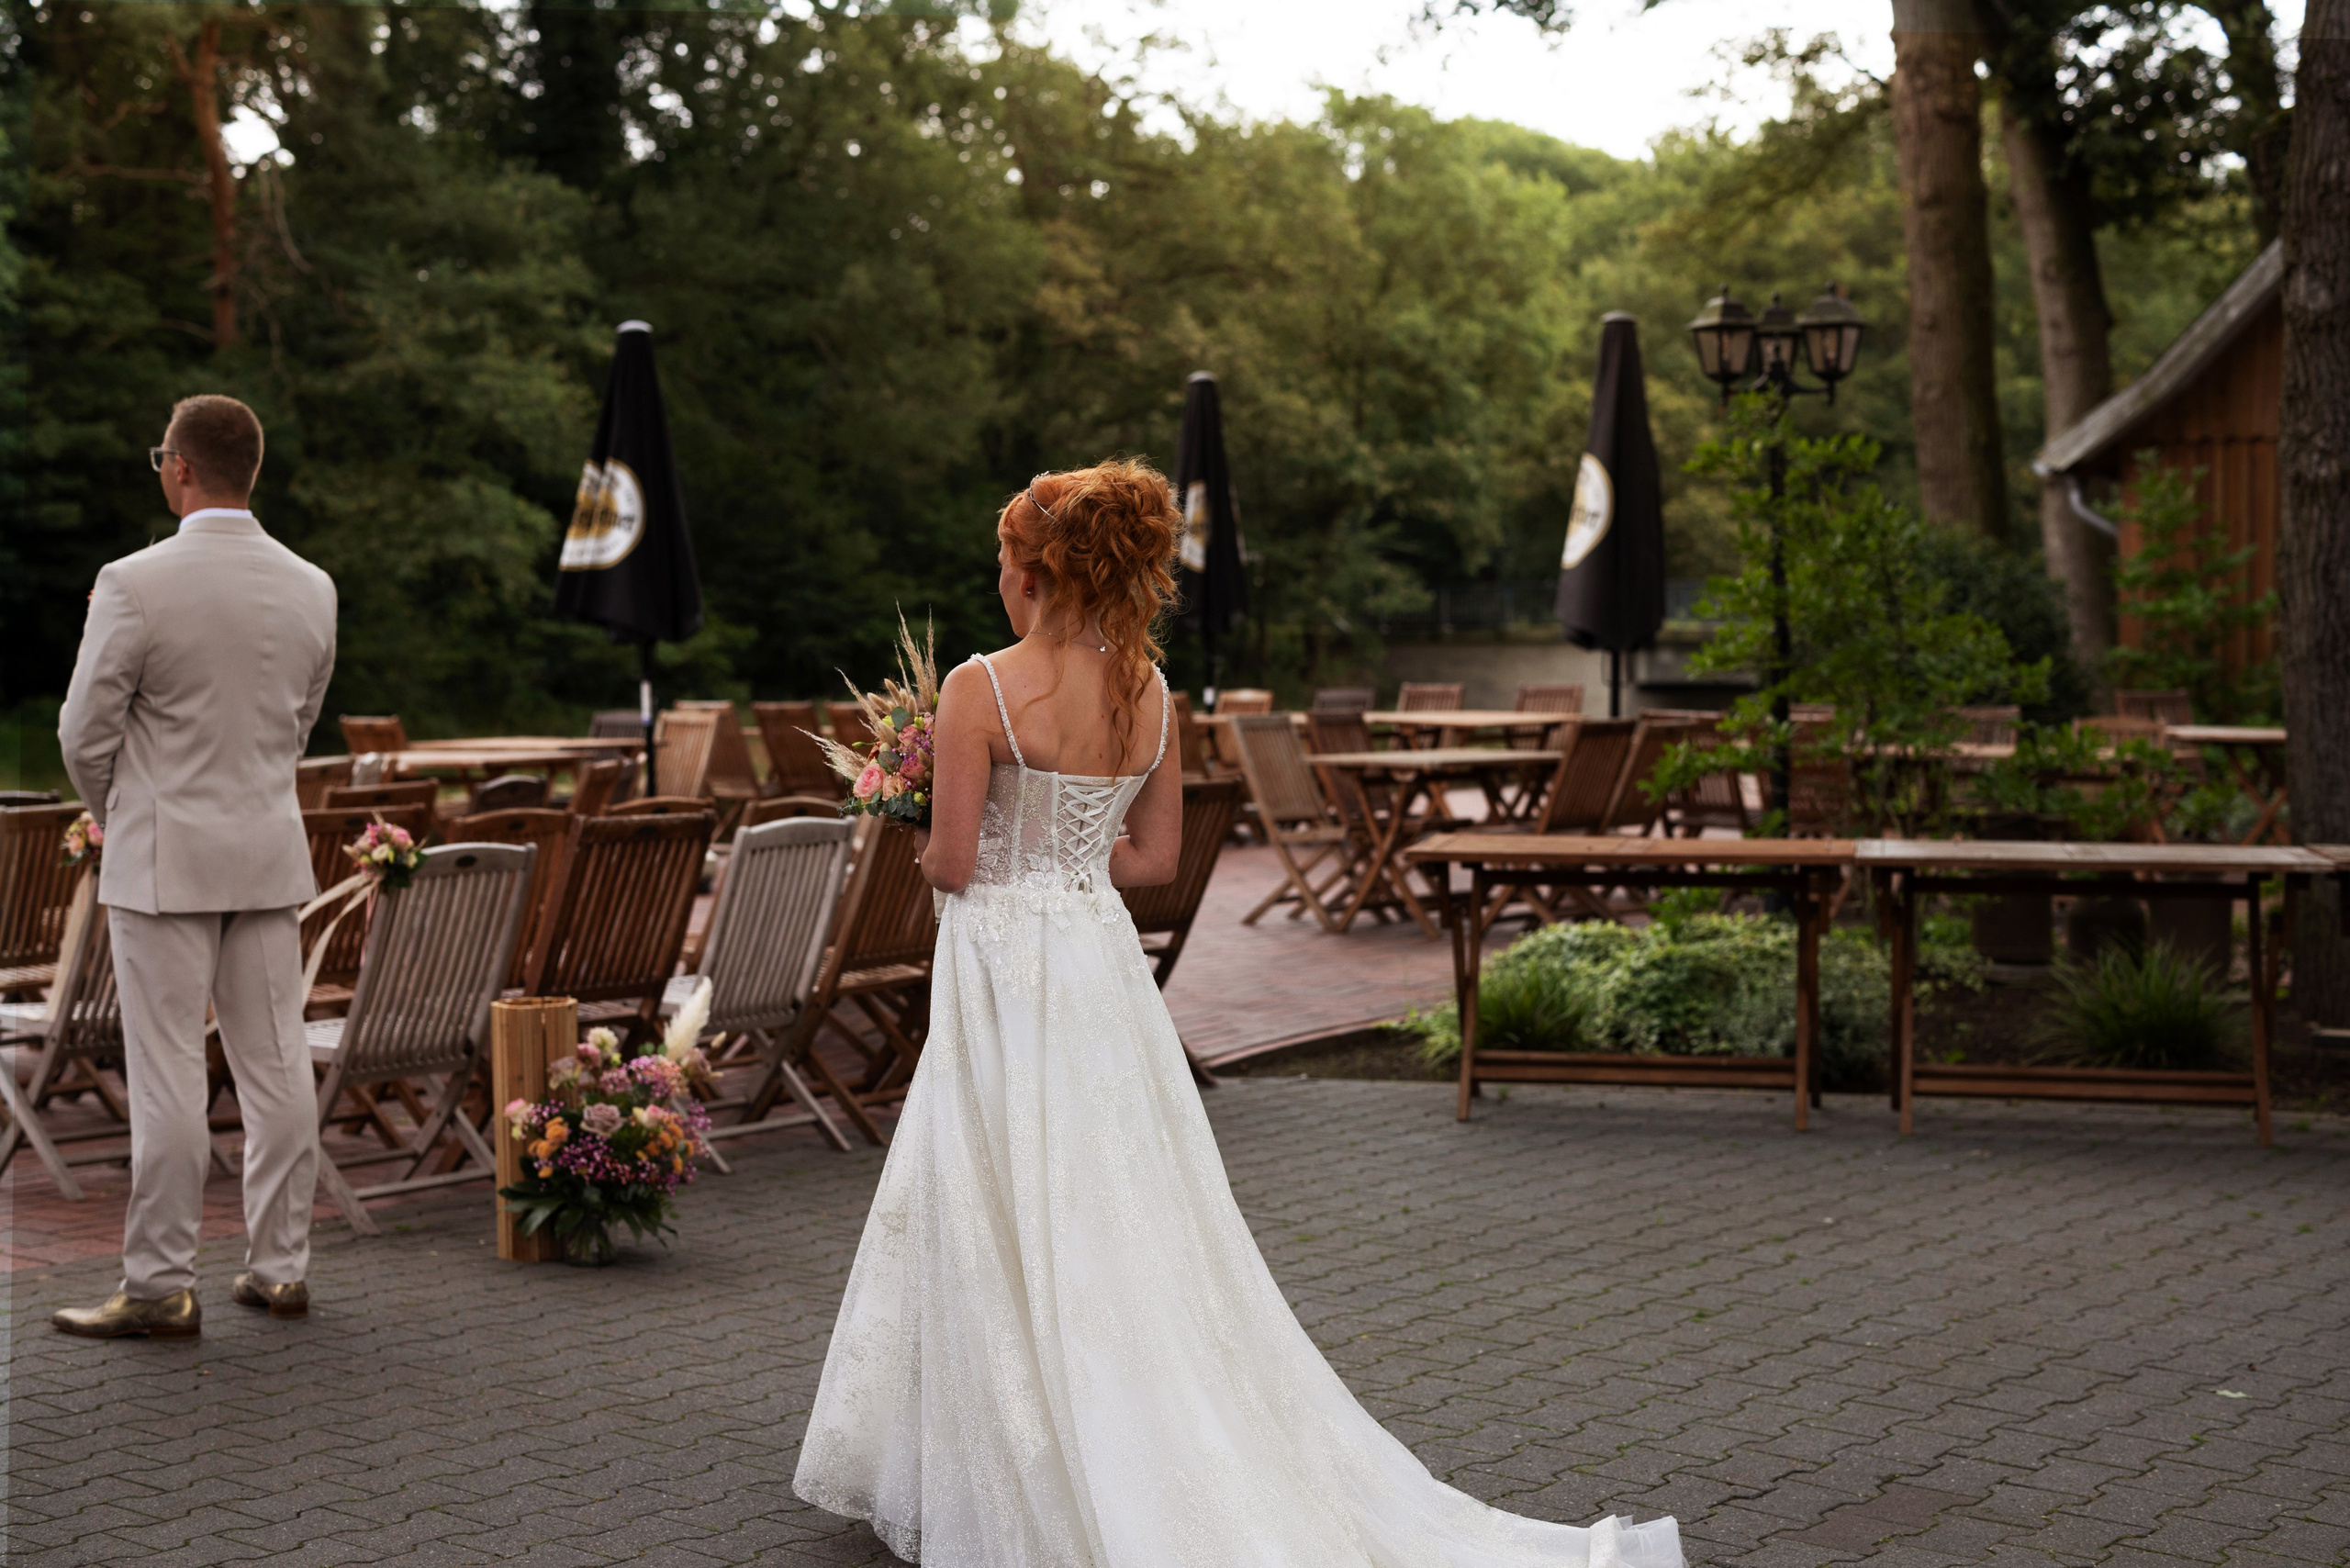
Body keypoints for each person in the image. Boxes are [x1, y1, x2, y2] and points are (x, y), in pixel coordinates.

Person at [792, 459, 1683, 1567]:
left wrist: (922, 821)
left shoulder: (978, 686)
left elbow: (955, 864)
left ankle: (1014, 1452)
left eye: (1006, 568)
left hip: (1001, 961)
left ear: (1031, 571)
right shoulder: (1150, 693)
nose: (1003, 586)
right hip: (1095, 964)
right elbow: (1155, 857)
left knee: (993, 1187)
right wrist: (1069, 856)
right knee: (1118, 1197)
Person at [51, 394, 338, 1339]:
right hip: (266, 848)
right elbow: (299, 724)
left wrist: (117, 812)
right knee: (276, 1060)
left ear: (179, 466)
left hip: (163, 859)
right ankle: (280, 1267)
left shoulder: (133, 581)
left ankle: (160, 1283)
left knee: (169, 1070)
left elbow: (81, 731)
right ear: (249, 470)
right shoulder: (312, 585)